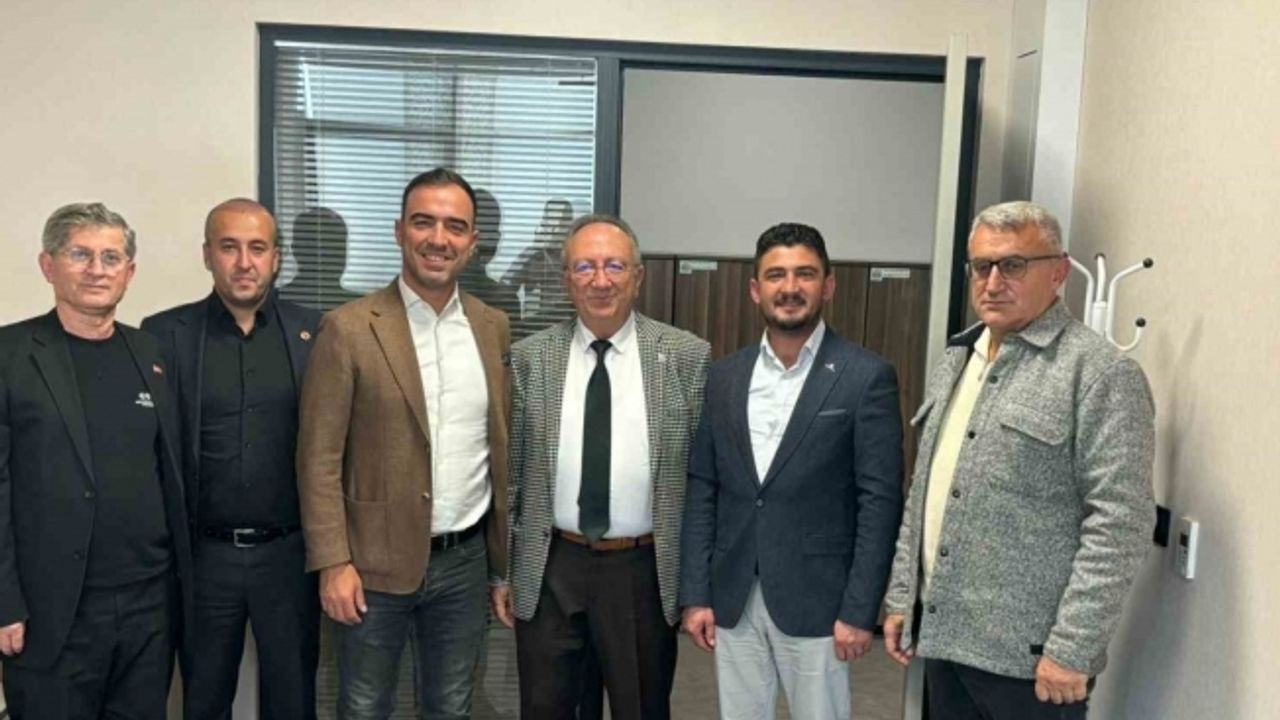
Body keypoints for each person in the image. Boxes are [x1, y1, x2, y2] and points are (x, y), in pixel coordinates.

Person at [882, 201, 1156, 719]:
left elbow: (1121, 523)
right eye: (981, 266)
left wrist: (1072, 648)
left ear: (1058, 272)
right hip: (946, 641)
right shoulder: (957, 358)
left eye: (1013, 265)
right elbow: (925, 490)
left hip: (1033, 665)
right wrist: (903, 595)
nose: (993, 282)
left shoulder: (1098, 374)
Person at [297, 168, 511, 719]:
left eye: (454, 227)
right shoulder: (348, 328)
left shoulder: (492, 327)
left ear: (472, 242)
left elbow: (498, 448)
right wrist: (333, 562)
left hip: (463, 562)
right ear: (399, 231)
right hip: (370, 563)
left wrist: (500, 566)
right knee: (364, 707)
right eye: (423, 222)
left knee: (452, 707)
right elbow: (318, 458)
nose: (438, 239)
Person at [680, 222, 904, 719]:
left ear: (828, 285)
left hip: (820, 601)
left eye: (805, 274)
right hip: (734, 593)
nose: (790, 287)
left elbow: (880, 502)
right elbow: (703, 487)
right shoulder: (724, 377)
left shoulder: (865, 376)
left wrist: (859, 608)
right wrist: (696, 594)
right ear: (755, 289)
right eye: (776, 275)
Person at [492, 214, 711, 720]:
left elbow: (702, 484)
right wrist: (502, 572)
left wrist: (698, 586)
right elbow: (514, 476)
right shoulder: (529, 359)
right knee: (546, 707)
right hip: (551, 564)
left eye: (614, 265)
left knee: (641, 706)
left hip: (641, 569)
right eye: (585, 266)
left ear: (638, 276)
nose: (600, 280)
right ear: (566, 278)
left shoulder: (685, 356)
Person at [0, 202, 194, 719]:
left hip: (149, 606)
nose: (97, 270)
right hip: (51, 611)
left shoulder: (151, 354)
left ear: (129, 272)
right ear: (48, 265)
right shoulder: (10, 355)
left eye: (111, 258)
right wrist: (4, 603)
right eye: (80, 255)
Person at [141, 198, 322, 719]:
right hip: (203, 558)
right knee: (203, 699)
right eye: (229, 247)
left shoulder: (316, 333)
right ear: (207, 255)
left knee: (293, 699)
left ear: (276, 258)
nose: (244, 262)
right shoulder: (163, 335)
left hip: (290, 556)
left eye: (257, 248)